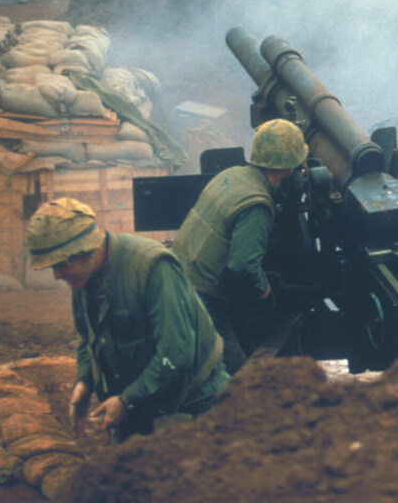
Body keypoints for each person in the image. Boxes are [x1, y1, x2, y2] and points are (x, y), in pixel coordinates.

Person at [25, 197, 229, 444]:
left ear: (87, 249)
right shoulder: (82, 277)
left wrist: (126, 399)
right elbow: (88, 339)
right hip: (141, 406)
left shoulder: (152, 266)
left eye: (61, 264)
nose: (57, 275)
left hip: (195, 406)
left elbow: (176, 354)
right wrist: (84, 382)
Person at [171, 118, 308, 375]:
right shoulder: (256, 204)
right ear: (290, 164)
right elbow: (242, 266)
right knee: (236, 379)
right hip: (200, 298)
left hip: (179, 276)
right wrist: (264, 290)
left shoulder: (231, 175)